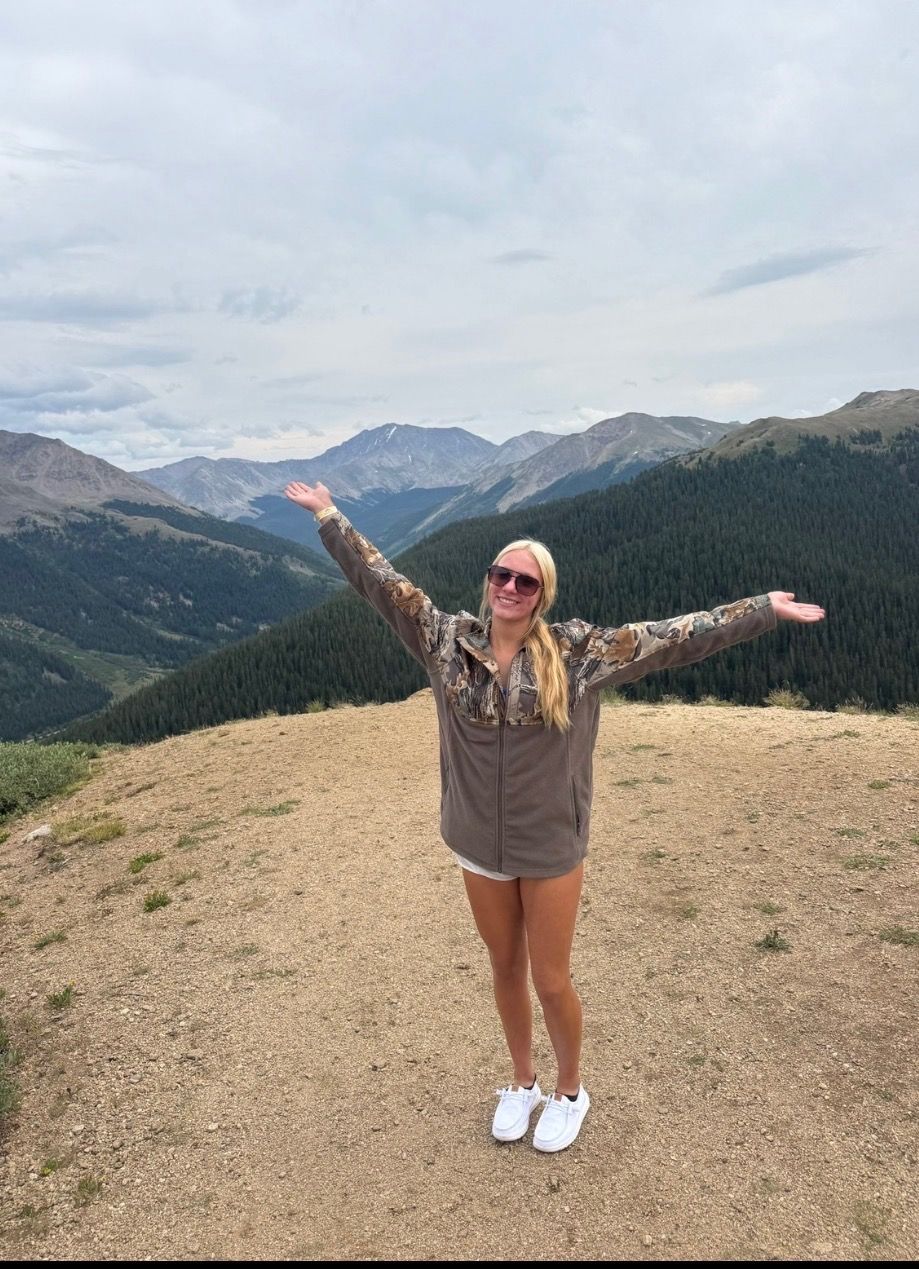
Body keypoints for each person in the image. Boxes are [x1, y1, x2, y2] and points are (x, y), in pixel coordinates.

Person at [283, 480, 826, 1153]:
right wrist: (329, 516)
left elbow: (673, 637)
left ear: (543, 596)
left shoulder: (578, 654)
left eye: (526, 582)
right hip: (475, 841)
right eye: (501, 575)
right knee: (503, 964)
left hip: (549, 844)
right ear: (487, 582)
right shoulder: (444, 639)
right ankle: (522, 1081)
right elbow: (381, 582)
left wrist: (762, 610)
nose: (511, 587)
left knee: (550, 975)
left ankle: (570, 1089)